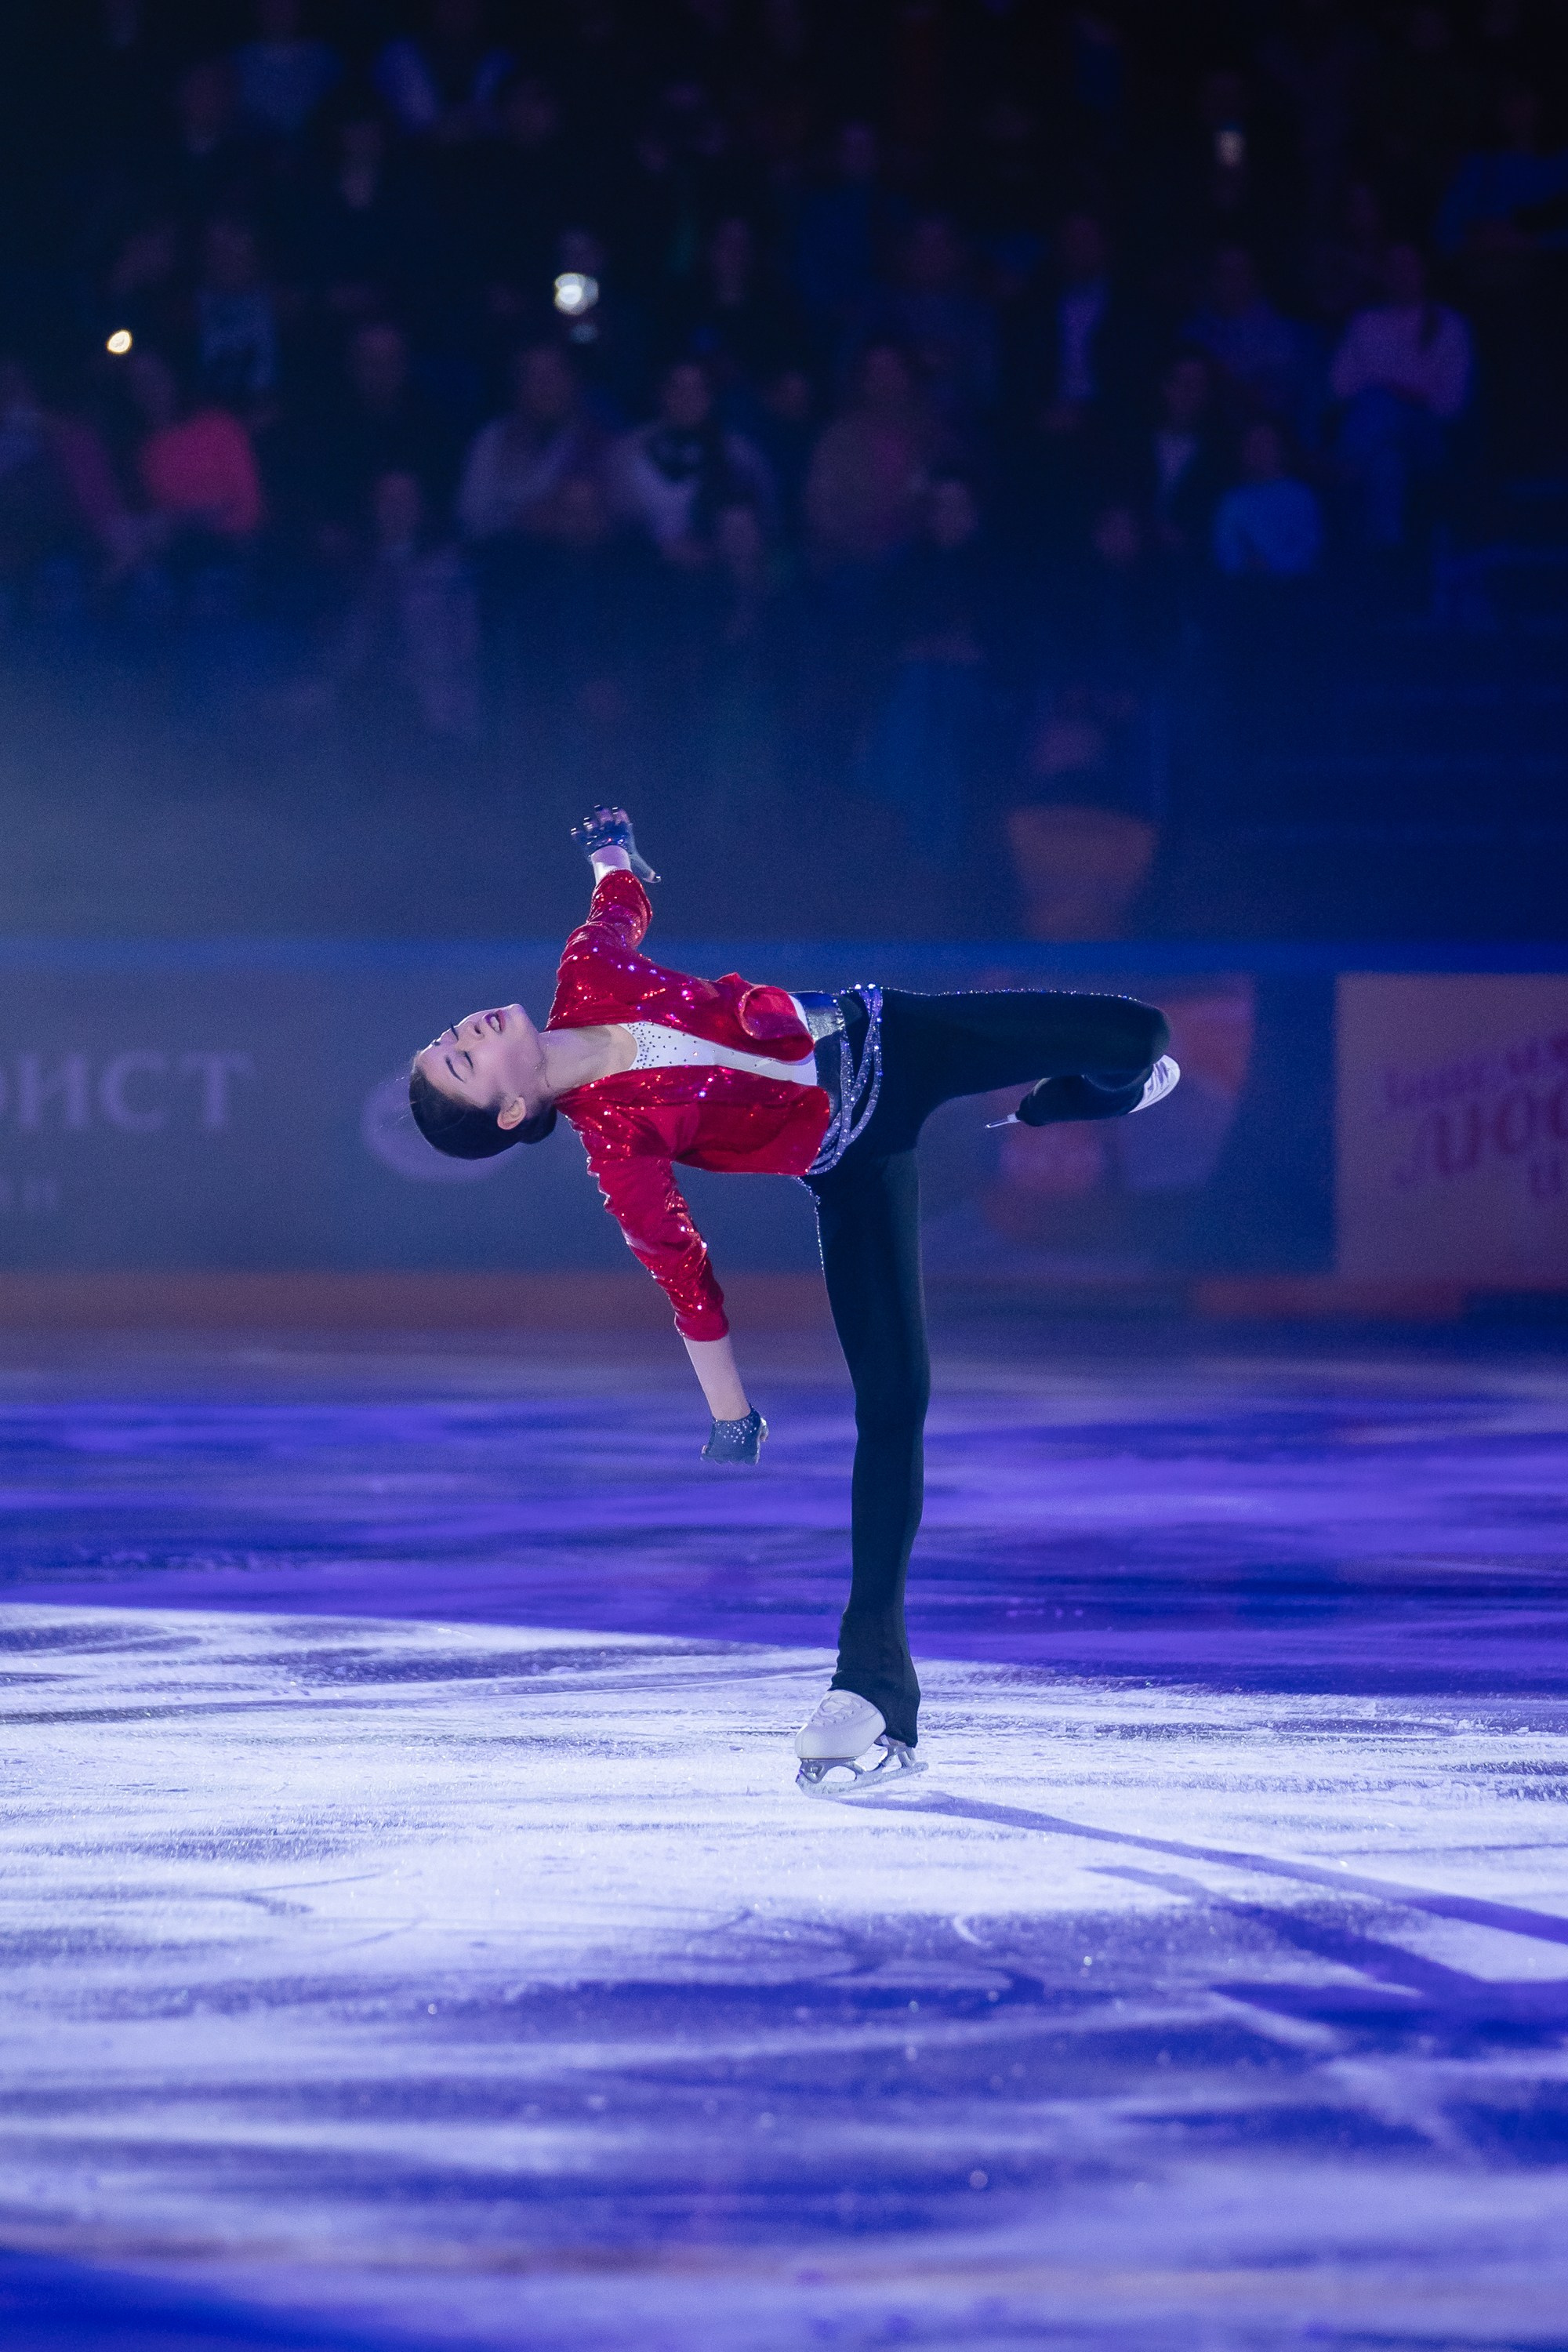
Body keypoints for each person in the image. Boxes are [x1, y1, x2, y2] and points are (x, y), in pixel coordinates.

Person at [407, 807, 1178, 1791]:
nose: (465, 1031)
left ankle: (1079, 1097)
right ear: (512, 1112)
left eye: (449, 1037)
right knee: (893, 1409)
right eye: (462, 1062)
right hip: (850, 1162)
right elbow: (686, 1281)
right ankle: (871, 1689)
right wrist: (732, 1415)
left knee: (1137, 1035)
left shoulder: (586, 975)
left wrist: (610, 852)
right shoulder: (616, 1153)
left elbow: (618, 905)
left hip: (891, 1035)